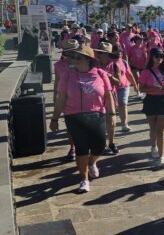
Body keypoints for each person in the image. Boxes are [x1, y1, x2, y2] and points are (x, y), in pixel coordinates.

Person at [49, 41, 115, 193]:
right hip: (74, 116)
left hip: (97, 113)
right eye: (73, 57)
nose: (74, 59)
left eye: (78, 57)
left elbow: (108, 95)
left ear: (88, 59)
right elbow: (61, 98)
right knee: (81, 148)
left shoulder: (100, 74)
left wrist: (112, 114)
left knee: (99, 145)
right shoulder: (67, 75)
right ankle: (84, 179)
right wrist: (54, 118)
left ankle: (92, 163)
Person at [138, 47, 164, 168]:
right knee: (153, 129)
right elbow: (141, 88)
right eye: (156, 56)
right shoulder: (146, 72)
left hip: (163, 101)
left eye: (161, 57)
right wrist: (154, 89)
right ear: (152, 58)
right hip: (150, 100)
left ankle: (162, 157)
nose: (159, 59)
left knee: (161, 131)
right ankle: (153, 145)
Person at [93, 41, 121, 155]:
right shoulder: (93, 64)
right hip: (96, 96)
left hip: (110, 95)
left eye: (103, 53)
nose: (100, 55)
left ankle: (111, 143)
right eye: (99, 52)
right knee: (99, 121)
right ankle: (102, 144)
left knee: (111, 121)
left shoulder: (114, 65)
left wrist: (108, 76)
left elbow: (119, 82)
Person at [54, 39, 77, 161]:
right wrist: (55, 98)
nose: (72, 54)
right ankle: (72, 148)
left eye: (74, 51)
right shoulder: (58, 65)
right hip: (66, 99)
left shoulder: (84, 62)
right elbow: (57, 82)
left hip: (84, 97)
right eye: (69, 52)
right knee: (70, 126)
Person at [109, 45, 138, 134]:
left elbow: (129, 74)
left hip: (123, 86)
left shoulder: (124, 62)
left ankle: (124, 124)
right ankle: (110, 125)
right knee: (112, 106)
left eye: (121, 52)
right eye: (117, 52)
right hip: (110, 87)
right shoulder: (108, 62)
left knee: (123, 104)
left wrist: (135, 85)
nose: (119, 53)